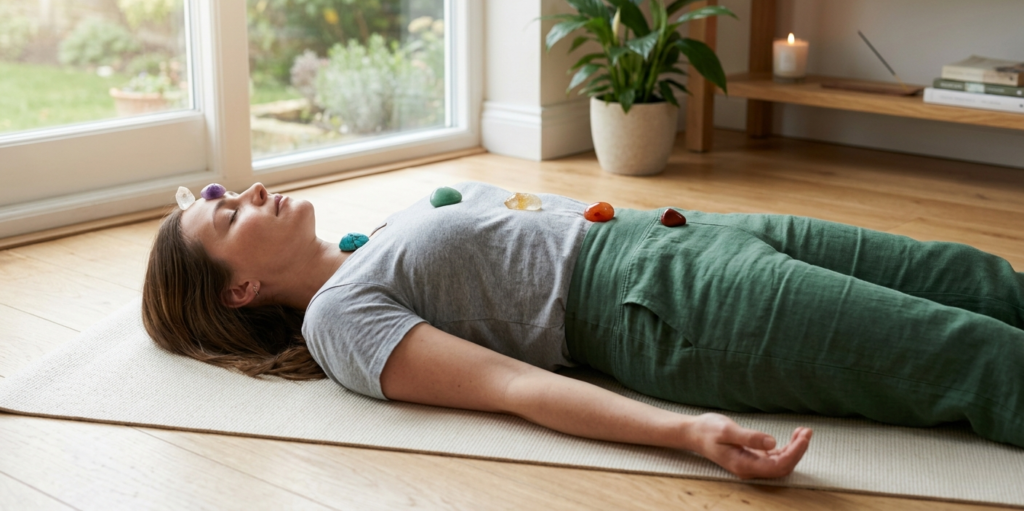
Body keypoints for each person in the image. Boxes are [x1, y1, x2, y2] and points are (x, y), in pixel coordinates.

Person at [142, 181, 1024, 480]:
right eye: (224, 216)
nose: (249, 192)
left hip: (690, 229)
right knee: (972, 356)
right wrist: (688, 433)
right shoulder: (342, 322)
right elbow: (512, 386)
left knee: (977, 279)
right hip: (666, 304)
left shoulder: (368, 242)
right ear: (242, 289)